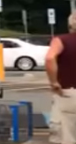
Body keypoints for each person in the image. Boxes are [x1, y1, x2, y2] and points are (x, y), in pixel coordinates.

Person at [45, 12, 76, 144]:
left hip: (70, 93)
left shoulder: (62, 40)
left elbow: (50, 58)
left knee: (66, 135)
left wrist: (54, 82)